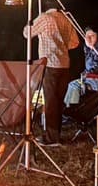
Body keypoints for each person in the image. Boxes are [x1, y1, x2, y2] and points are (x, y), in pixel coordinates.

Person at [23, 8, 80, 145]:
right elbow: (75, 42)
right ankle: (55, 135)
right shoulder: (66, 18)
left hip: (50, 63)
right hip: (64, 64)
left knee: (51, 102)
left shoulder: (45, 17)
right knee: (58, 101)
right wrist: (61, 45)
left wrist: (31, 22)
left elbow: (27, 33)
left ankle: (51, 138)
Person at [65, 26, 98, 106]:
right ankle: (69, 108)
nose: (89, 38)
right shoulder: (89, 49)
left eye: (92, 36)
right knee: (71, 84)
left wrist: (87, 75)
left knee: (74, 86)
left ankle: (72, 108)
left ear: (97, 36)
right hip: (89, 78)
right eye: (87, 36)